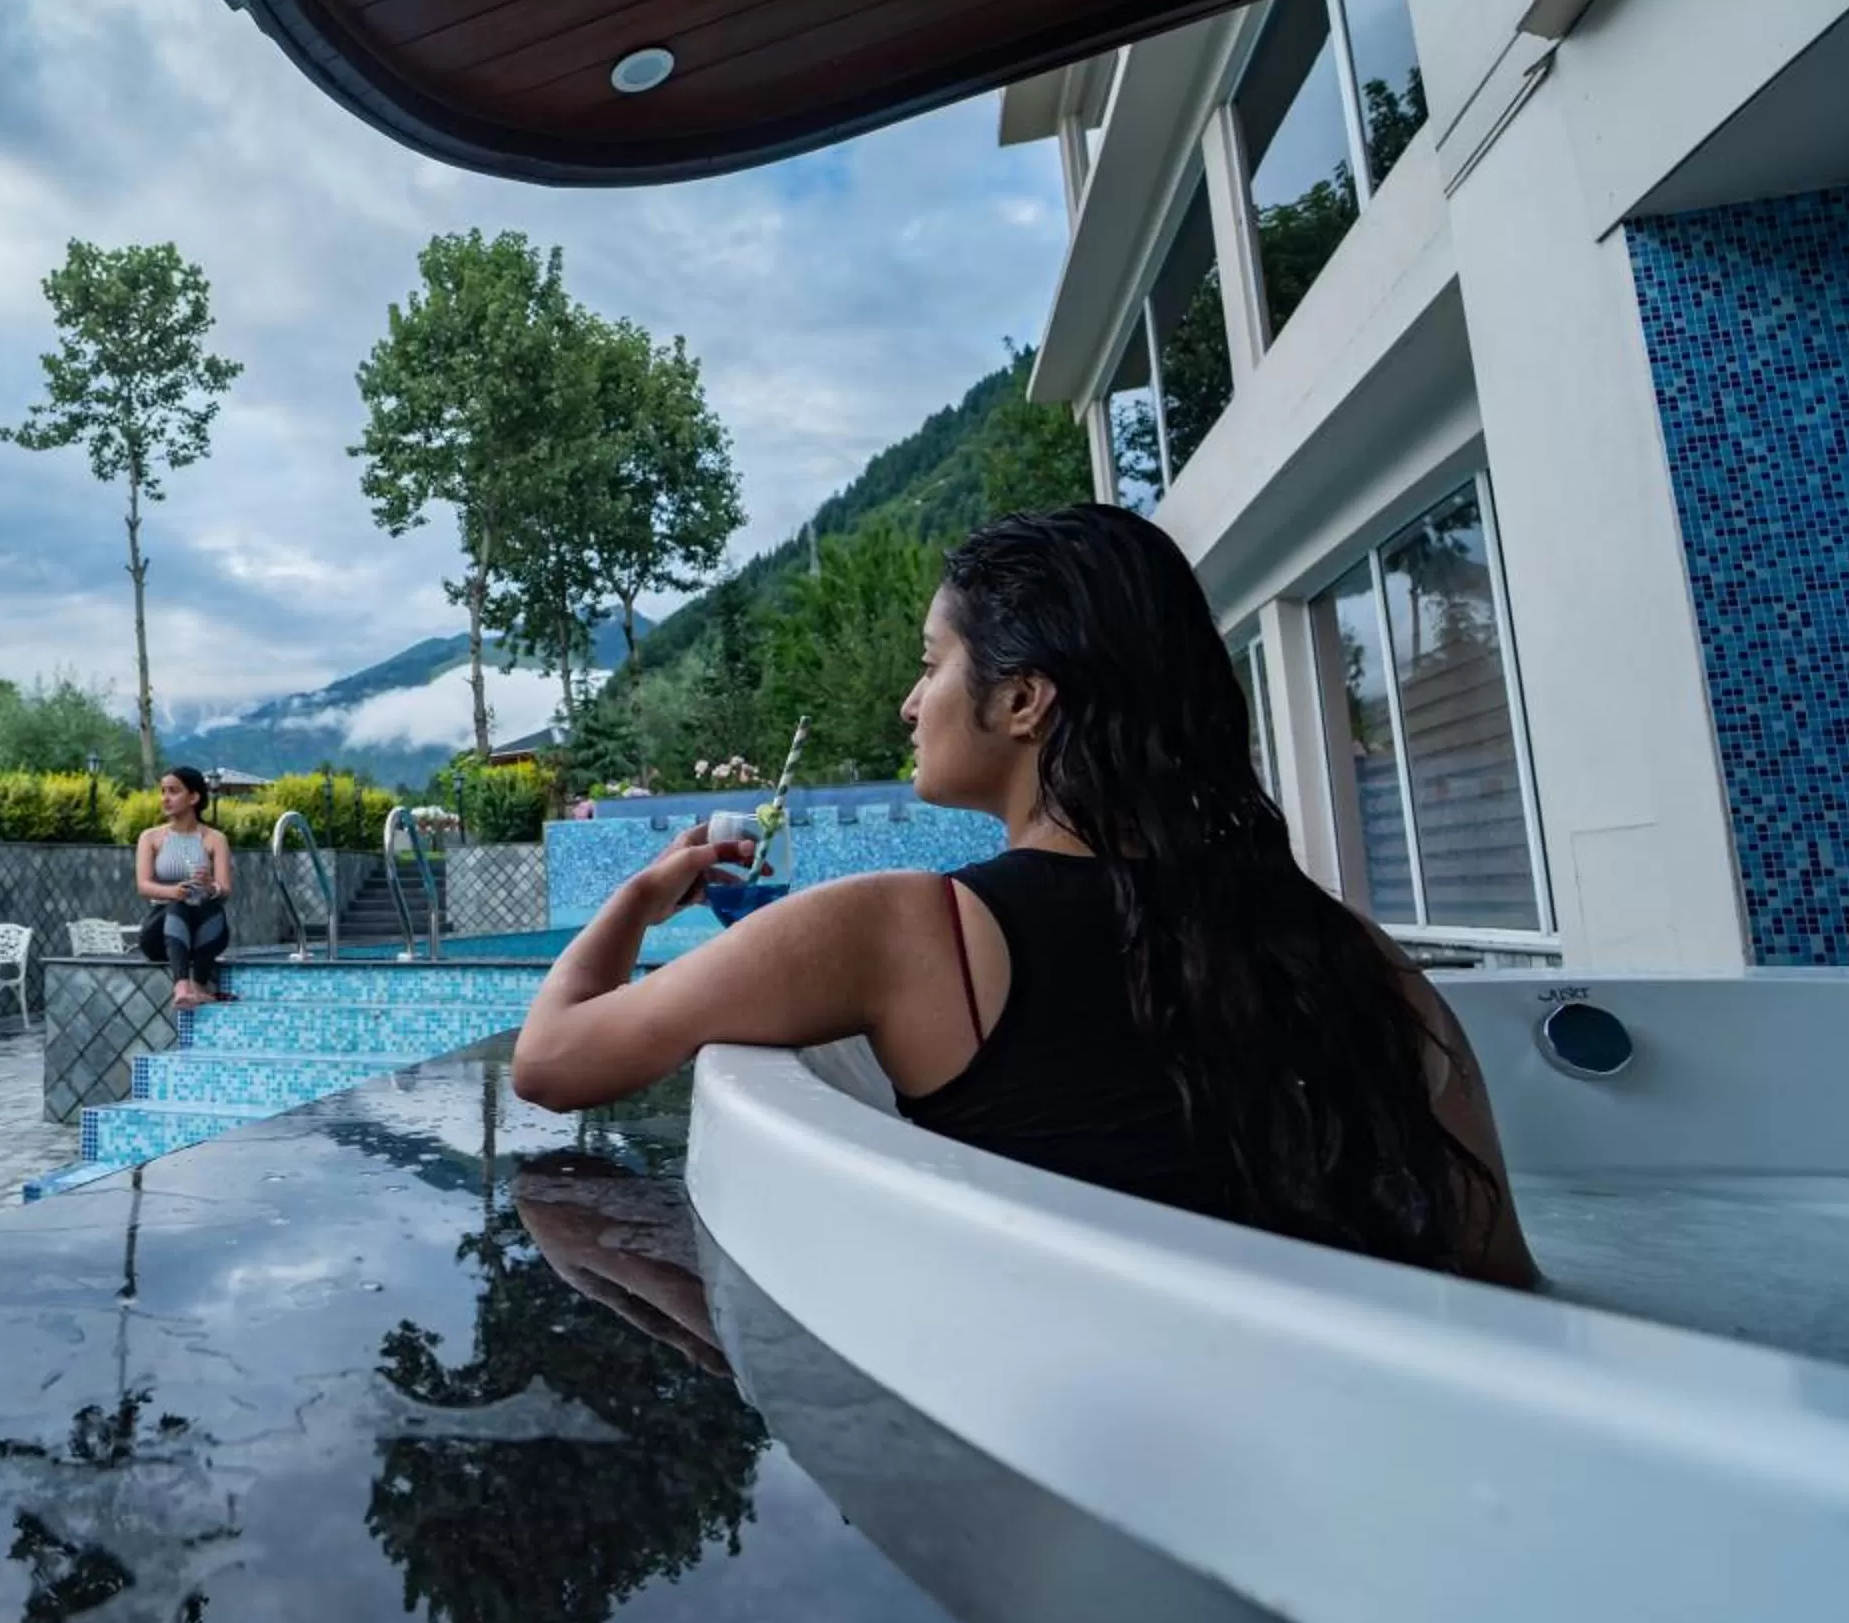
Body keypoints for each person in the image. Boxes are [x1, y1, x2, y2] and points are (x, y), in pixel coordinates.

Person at [513, 503, 1538, 1288]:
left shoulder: (904, 931)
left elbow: (552, 1061)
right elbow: (1498, 1276)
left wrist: (639, 901)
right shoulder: (1356, 955)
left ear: (1021, 698)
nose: (912, 702)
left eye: (932, 664)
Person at [135, 765, 235, 1011]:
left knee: (211, 907)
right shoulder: (150, 838)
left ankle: (198, 986)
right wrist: (174, 892)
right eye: (163, 791)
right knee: (178, 904)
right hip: (160, 934)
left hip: (203, 933)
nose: (165, 798)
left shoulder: (215, 839)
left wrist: (209, 886)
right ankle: (182, 985)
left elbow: (225, 890)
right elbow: (144, 885)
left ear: (194, 797)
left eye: (173, 791)